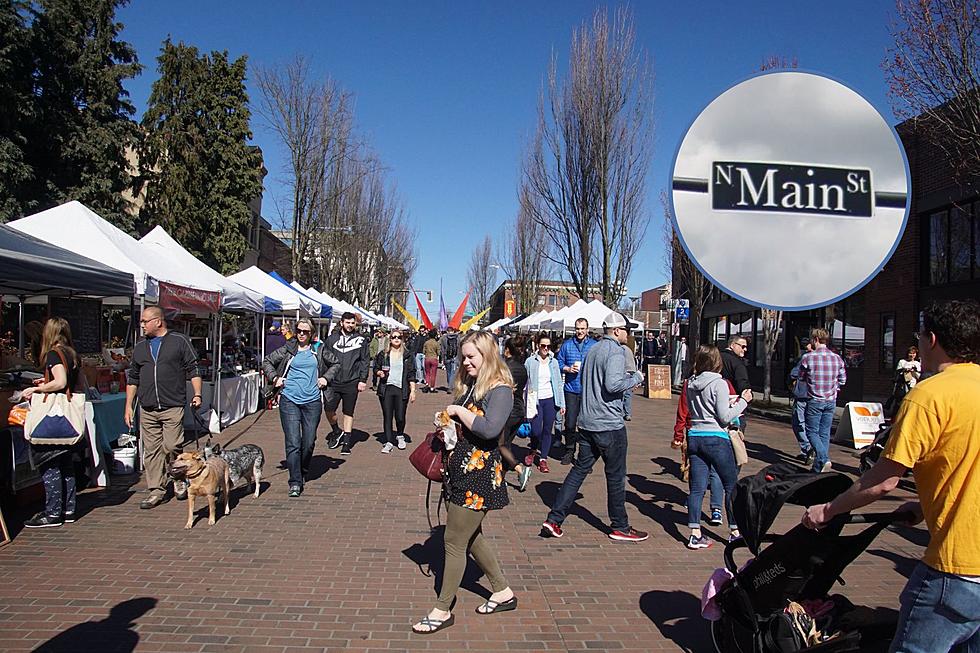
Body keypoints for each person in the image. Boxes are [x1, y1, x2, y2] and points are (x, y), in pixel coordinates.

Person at [801, 300, 980, 653]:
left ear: (931, 339)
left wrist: (828, 510)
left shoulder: (929, 395)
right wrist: (928, 505)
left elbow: (883, 481)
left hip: (956, 568)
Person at [412, 331, 517, 635]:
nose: (466, 362)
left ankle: (442, 609)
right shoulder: (472, 385)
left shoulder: (500, 390)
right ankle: (502, 591)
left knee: (454, 541)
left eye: (472, 356)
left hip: (479, 475)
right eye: (464, 357)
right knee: (471, 536)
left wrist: (457, 411)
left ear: (488, 355)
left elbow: (489, 429)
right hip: (460, 471)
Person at [542, 312, 647, 542]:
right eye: (626, 331)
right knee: (616, 476)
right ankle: (620, 526)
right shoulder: (616, 352)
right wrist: (636, 378)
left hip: (587, 422)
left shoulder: (593, 350)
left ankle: (554, 519)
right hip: (608, 425)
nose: (627, 335)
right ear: (617, 331)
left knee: (578, 471)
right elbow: (614, 384)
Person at [125, 306, 202, 510]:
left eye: (145, 321)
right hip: (148, 406)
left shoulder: (179, 341)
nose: (142, 325)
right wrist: (128, 406)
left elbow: (193, 369)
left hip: (172, 404)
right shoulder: (141, 346)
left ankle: (177, 476)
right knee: (151, 451)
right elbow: (133, 378)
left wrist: (197, 394)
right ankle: (156, 490)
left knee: (171, 445)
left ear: (158, 322)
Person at [683, 345, 752, 549]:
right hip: (715, 437)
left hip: (695, 435)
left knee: (697, 488)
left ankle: (695, 533)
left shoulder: (690, 383)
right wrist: (743, 402)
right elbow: (724, 416)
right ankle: (735, 531)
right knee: (731, 486)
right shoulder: (719, 383)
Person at [262, 319, 338, 497]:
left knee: (309, 441)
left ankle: (302, 470)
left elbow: (335, 364)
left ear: (311, 333)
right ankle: (295, 481)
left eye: (305, 331)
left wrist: (326, 378)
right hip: (289, 400)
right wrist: (275, 378)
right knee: (293, 442)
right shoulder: (289, 348)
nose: (301, 334)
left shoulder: (318, 349)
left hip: (312, 401)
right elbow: (267, 361)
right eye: (299, 330)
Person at [22, 318, 85, 528]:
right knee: (66, 465)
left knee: (50, 466)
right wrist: (47, 382)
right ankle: (68, 509)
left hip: (53, 420)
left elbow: (61, 382)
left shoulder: (53, 354)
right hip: (67, 419)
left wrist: (37, 389)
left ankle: (52, 512)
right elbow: (75, 382)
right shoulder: (71, 353)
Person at [671, 374, 725, 529]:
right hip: (717, 433)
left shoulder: (690, 383)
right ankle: (716, 510)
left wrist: (678, 433)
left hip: (694, 431)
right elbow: (726, 412)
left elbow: (683, 409)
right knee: (716, 472)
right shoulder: (721, 383)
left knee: (696, 473)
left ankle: (694, 526)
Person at [799, 328, 846, 473]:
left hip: (815, 399)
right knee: (824, 433)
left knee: (811, 432)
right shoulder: (837, 358)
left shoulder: (808, 358)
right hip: (831, 400)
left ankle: (823, 458)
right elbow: (843, 380)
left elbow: (801, 377)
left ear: (815, 340)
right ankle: (819, 465)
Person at [323, 312, 370, 456]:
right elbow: (324, 359)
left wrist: (362, 379)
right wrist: (324, 377)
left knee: (348, 412)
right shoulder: (331, 340)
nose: (350, 325)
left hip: (352, 381)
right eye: (347, 322)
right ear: (342, 322)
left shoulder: (361, 340)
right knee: (329, 408)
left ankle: (346, 442)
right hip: (333, 381)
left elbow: (365, 361)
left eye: (353, 323)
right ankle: (337, 431)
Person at [555, 318, 597, 465]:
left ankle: (584, 457)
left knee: (586, 425)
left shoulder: (594, 345)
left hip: (588, 391)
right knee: (570, 424)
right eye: (577, 328)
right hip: (571, 389)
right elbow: (558, 362)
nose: (580, 331)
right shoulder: (567, 345)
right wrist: (567, 368)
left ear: (587, 329)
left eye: (582, 328)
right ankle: (569, 450)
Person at [523, 333, 565, 474]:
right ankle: (533, 450)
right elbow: (525, 381)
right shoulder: (530, 361)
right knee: (536, 430)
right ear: (538, 346)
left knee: (547, 430)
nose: (546, 348)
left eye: (548, 346)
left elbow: (559, 383)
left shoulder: (554, 362)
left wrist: (562, 403)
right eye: (543, 346)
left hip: (550, 399)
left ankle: (543, 459)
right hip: (535, 399)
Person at [373, 328, 417, 453]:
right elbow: (376, 367)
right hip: (386, 388)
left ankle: (400, 435)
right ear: (390, 339)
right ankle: (388, 442)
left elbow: (411, 374)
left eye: (399, 337)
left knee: (400, 416)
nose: (396, 339)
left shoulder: (407, 355)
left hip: (401, 389)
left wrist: (413, 390)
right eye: (394, 337)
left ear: (402, 339)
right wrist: (379, 372)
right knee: (387, 416)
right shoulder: (384, 354)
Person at [501, 335, 532, 491]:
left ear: (507, 350)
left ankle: (520, 469)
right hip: (519, 410)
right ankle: (501, 478)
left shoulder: (504, 367)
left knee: (500, 444)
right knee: (507, 444)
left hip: (507, 410)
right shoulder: (523, 368)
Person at [788, 341, 814, 466]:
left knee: (799, 423)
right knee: (814, 425)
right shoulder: (831, 357)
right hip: (819, 398)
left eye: (809, 343)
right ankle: (813, 451)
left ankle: (808, 448)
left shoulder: (806, 357)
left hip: (803, 394)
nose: (806, 346)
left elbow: (794, 373)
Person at [439, 326, 460, 393]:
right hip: (455, 357)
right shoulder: (458, 337)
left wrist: (442, 358)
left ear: (447, 331)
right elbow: (459, 348)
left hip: (446, 357)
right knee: (453, 372)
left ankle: (449, 385)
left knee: (448, 372)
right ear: (453, 331)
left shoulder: (443, 338)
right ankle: (450, 386)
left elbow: (442, 349)